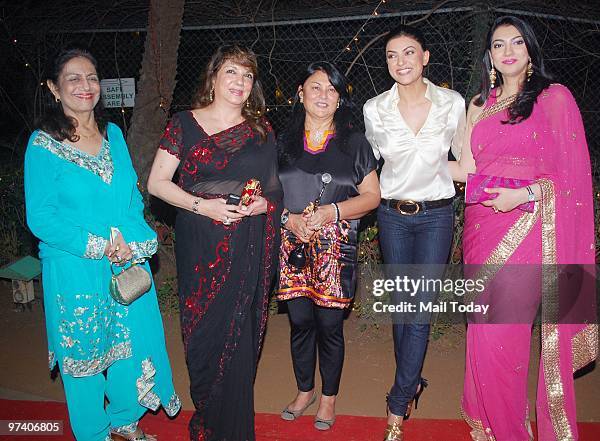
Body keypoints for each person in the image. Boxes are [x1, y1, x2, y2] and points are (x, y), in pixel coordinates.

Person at [449, 16, 597, 440]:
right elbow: (470, 169)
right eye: (498, 44)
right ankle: (499, 428)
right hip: (480, 228)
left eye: (516, 42)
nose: (508, 50)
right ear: (490, 56)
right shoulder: (480, 104)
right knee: (482, 333)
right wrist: (414, 171)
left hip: (529, 227)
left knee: (503, 336)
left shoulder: (553, 98)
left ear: (530, 51)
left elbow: (572, 176)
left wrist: (526, 195)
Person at [24, 47, 180, 441]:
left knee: (128, 351)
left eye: (91, 77)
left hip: (123, 265)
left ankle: (124, 422)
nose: (85, 85)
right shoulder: (42, 145)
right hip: (75, 268)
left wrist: (134, 244)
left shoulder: (113, 135)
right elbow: (41, 217)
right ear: (54, 89)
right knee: (86, 361)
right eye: (73, 78)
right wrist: (97, 245)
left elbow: (130, 201)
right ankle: (94, 433)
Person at [147, 44, 282, 441]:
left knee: (237, 342)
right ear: (214, 77)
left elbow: (274, 190)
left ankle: (236, 431)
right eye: (231, 73)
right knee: (203, 338)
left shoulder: (261, 130)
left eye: (247, 75)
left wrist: (263, 206)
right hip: (200, 244)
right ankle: (208, 413)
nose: (240, 82)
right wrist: (201, 206)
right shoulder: (183, 124)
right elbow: (157, 184)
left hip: (247, 246)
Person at [363, 25, 466, 440]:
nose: (401, 62)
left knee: (419, 310)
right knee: (403, 308)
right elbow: (367, 164)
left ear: (425, 57)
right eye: (392, 55)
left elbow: (467, 158)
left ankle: (396, 403)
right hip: (391, 216)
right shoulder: (375, 108)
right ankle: (413, 382)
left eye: (409, 53)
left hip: (436, 217)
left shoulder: (452, 103)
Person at [276, 62, 380, 431]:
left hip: (335, 251)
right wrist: (288, 219)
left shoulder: (354, 142)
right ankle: (305, 390)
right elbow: (267, 195)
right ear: (300, 94)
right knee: (300, 322)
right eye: (315, 87)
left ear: (339, 99)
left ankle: (328, 398)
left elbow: (372, 197)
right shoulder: (281, 143)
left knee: (330, 326)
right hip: (292, 246)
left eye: (331, 89)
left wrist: (332, 211)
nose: (323, 95)